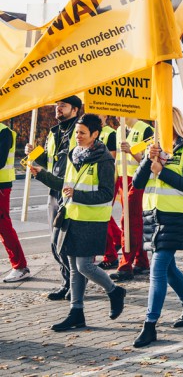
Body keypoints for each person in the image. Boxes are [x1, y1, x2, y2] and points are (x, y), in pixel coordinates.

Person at [30, 114, 127, 331]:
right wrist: (41, 175)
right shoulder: (75, 153)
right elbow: (66, 184)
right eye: (77, 132)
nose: (78, 136)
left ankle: (114, 290)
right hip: (72, 217)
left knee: (84, 266)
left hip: (91, 220)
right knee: (74, 267)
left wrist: (77, 194)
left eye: (82, 133)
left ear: (95, 134)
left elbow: (105, 194)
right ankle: (76, 312)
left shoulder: (104, 160)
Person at [131, 108, 183, 347]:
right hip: (153, 215)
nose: (155, 126)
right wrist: (147, 161)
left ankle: (150, 325)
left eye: (159, 121)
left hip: (175, 217)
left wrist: (162, 172)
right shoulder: (153, 148)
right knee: (169, 268)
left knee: (158, 268)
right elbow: (137, 183)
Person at [25, 95, 81, 300]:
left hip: (70, 191)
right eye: (57, 106)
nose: (58, 109)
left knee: (66, 243)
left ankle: (75, 285)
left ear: (74, 110)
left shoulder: (79, 130)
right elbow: (51, 160)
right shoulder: (54, 131)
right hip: (54, 190)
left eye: (63, 106)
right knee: (54, 243)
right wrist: (34, 154)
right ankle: (66, 283)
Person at [110, 117, 154, 281]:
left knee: (128, 222)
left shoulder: (145, 130)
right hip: (123, 181)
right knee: (136, 223)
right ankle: (142, 262)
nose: (116, 114)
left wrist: (131, 151)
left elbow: (150, 160)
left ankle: (125, 265)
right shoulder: (118, 131)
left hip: (138, 180)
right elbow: (117, 162)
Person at [0, 121, 30, 283]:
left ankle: (20, 266)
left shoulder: (4, 131)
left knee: (3, 227)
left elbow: (0, 161)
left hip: (1, 186)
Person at [97, 115, 122, 270]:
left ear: (105, 115)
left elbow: (111, 159)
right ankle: (118, 239)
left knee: (102, 215)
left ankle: (110, 255)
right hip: (95, 180)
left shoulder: (110, 133)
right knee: (103, 215)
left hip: (108, 179)